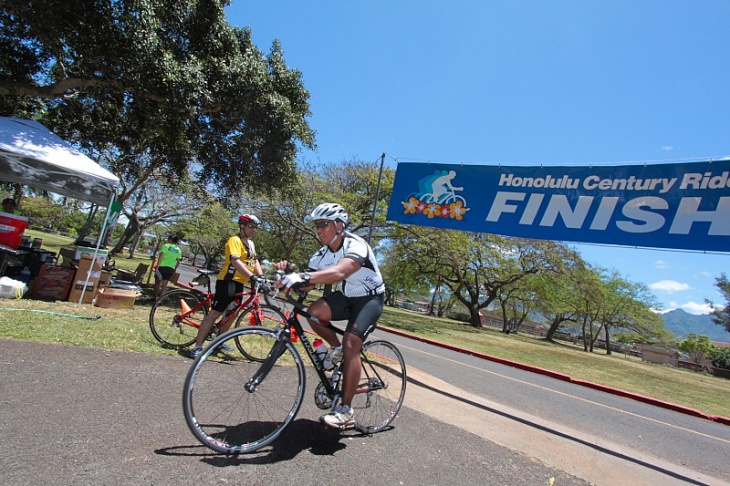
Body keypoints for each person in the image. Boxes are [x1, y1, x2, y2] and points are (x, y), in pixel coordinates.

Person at [275, 203, 385, 429]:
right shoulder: (320, 255)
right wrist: (290, 276)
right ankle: (336, 350)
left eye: (323, 224)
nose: (319, 230)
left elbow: (340, 272)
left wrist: (302, 276)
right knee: (313, 313)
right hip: (346, 295)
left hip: (370, 299)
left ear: (339, 225)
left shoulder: (356, 245)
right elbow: (308, 284)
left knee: (351, 343)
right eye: (316, 225)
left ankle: (346, 410)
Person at [190, 214, 264, 358]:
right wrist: (252, 277)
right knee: (216, 312)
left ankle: (218, 341)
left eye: (255, 227)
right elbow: (235, 261)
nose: (253, 230)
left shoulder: (251, 244)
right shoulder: (234, 240)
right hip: (227, 281)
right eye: (250, 226)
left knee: (232, 314)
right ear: (242, 226)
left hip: (240, 283)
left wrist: (261, 277)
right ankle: (197, 347)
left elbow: (254, 262)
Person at [153, 235, 182, 299]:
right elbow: (178, 262)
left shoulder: (166, 246)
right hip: (170, 268)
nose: (167, 240)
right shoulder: (178, 249)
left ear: (171, 239)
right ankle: (161, 299)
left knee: (157, 282)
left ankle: (155, 297)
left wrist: (157, 265)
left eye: (168, 238)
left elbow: (161, 256)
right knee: (164, 284)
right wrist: (175, 268)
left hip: (162, 266)